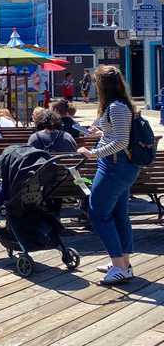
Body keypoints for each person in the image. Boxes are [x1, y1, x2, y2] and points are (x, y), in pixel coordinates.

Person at [77, 65, 141, 285]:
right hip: (123, 167)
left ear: (102, 85)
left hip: (114, 167)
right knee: (119, 215)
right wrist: (102, 133)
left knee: (98, 214)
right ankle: (123, 264)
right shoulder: (124, 105)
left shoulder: (115, 107)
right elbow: (121, 135)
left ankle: (119, 266)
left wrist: (93, 153)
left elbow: (122, 142)